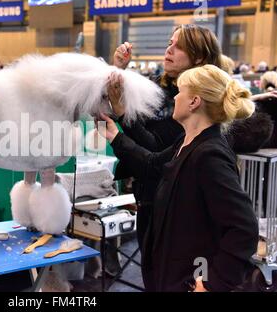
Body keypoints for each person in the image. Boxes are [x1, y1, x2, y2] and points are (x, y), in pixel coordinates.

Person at [98, 64, 259, 292]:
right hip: (171, 273)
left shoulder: (210, 155)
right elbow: (151, 164)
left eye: (181, 92)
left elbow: (244, 228)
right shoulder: (186, 142)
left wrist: (213, 283)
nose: (175, 98)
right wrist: (114, 136)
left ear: (194, 102)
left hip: (188, 278)